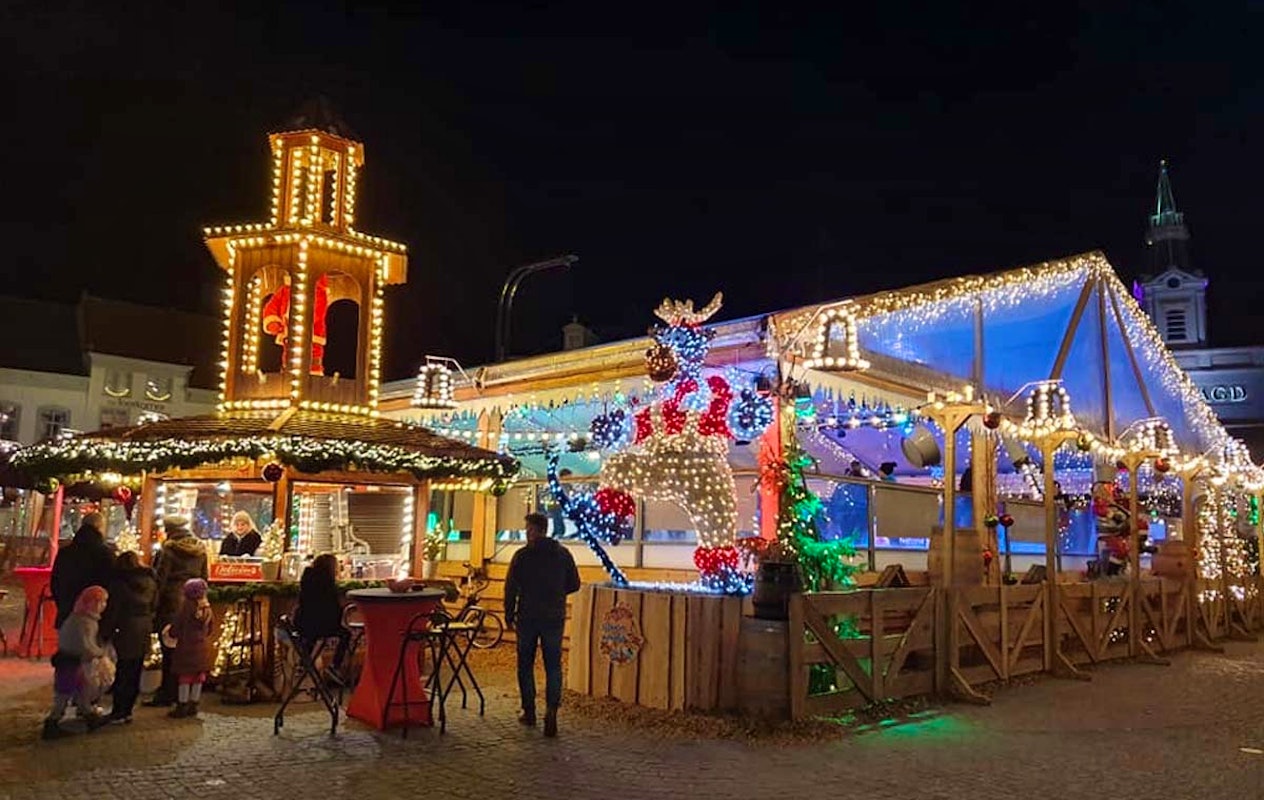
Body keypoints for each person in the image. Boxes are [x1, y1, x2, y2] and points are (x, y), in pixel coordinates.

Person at [504, 512, 580, 737]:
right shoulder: (563, 554)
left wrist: (509, 614)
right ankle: (552, 711)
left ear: (536, 530)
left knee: (525, 665)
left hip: (528, 616)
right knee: (553, 665)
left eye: (528, 529)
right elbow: (574, 584)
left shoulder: (523, 556)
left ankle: (529, 711)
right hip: (554, 616)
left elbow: (511, 588)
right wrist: (556, 593)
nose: (526, 533)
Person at [146, 516, 208, 707]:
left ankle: (168, 691)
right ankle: (185, 693)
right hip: (194, 601)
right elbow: (205, 576)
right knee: (187, 649)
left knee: (169, 648)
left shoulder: (169, 549)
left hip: (172, 602)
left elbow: (161, 578)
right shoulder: (201, 548)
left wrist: (153, 604)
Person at [43, 585, 111, 739]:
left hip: (72, 661)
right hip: (71, 662)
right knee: (65, 693)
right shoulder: (83, 622)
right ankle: (52, 723)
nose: (104, 606)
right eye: (101, 602)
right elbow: (85, 645)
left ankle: (89, 716)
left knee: (81, 690)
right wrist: (100, 653)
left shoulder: (82, 618)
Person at [101, 550, 156, 724]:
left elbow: (114, 611)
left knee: (123, 670)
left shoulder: (119, 583)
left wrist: (105, 633)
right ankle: (128, 710)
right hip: (144, 626)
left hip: (126, 628)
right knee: (135, 669)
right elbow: (155, 604)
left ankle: (119, 710)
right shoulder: (150, 581)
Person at [50, 512, 114, 629]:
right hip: (94, 618)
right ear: (100, 528)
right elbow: (110, 585)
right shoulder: (105, 554)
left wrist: (63, 605)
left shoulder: (66, 552)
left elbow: (55, 583)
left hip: (67, 613)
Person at [293, 553, 350, 680]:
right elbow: (333, 609)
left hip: (302, 624)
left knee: (311, 636)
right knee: (346, 634)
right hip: (322, 625)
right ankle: (335, 666)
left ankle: (303, 664)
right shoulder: (328, 585)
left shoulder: (307, 580)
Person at [164, 578, 213, 718]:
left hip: (186, 646)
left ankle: (182, 704)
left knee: (185, 677)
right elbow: (210, 627)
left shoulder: (187, 606)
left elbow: (178, 625)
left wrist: (172, 633)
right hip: (201, 646)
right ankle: (194, 703)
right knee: (198, 676)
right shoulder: (206, 607)